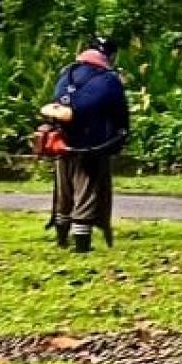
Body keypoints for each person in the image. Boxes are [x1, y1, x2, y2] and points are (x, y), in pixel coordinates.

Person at [47, 37, 130, 253]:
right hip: (92, 145)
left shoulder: (68, 73)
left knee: (64, 192)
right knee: (86, 192)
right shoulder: (109, 80)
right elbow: (120, 114)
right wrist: (120, 138)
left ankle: (61, 240)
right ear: (109, 56)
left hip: (62, 143)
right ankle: (82, 246)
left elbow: (58, 100)